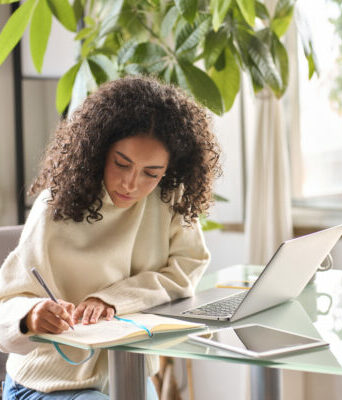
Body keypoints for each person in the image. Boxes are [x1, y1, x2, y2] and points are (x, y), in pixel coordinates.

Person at [0, 75, 221, 399]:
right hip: (45, 384)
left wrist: (112, 299)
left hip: (124, 375)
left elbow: (186, 270)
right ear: (99, 150)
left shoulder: (168, 199)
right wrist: (31, 316)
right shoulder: (55, 207)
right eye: (122, 164)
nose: (131, 184)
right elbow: (6, 302)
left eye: (151, 173)